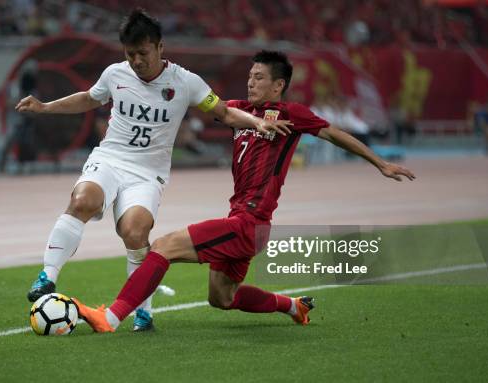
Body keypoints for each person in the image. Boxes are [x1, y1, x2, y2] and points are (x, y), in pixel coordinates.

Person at [72, 50, 416, 333]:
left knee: (162, 246)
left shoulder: (291, 114)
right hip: (244, 222)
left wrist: (379, 162)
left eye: (260, 77)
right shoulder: (238, 111)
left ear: (279, 85)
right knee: (221, 298)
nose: (251, 81)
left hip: (250, 222)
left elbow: (334, 134)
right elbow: (201, 104)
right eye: (250, 76)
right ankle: (292, 305)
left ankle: (111, 318)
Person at [15, 10, 291, 331]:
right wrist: (46, 107)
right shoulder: (115, 74)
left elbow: (224, 113)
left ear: (160, 48)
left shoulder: (185, 82)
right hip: (111, 159)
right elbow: (90, 98)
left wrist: (256, 121)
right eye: (130, 54)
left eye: (142, 53)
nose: (136, 61)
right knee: (83, 201)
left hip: (148, 173)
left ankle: (143, 310)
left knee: (135, 232)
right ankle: (47, 276)